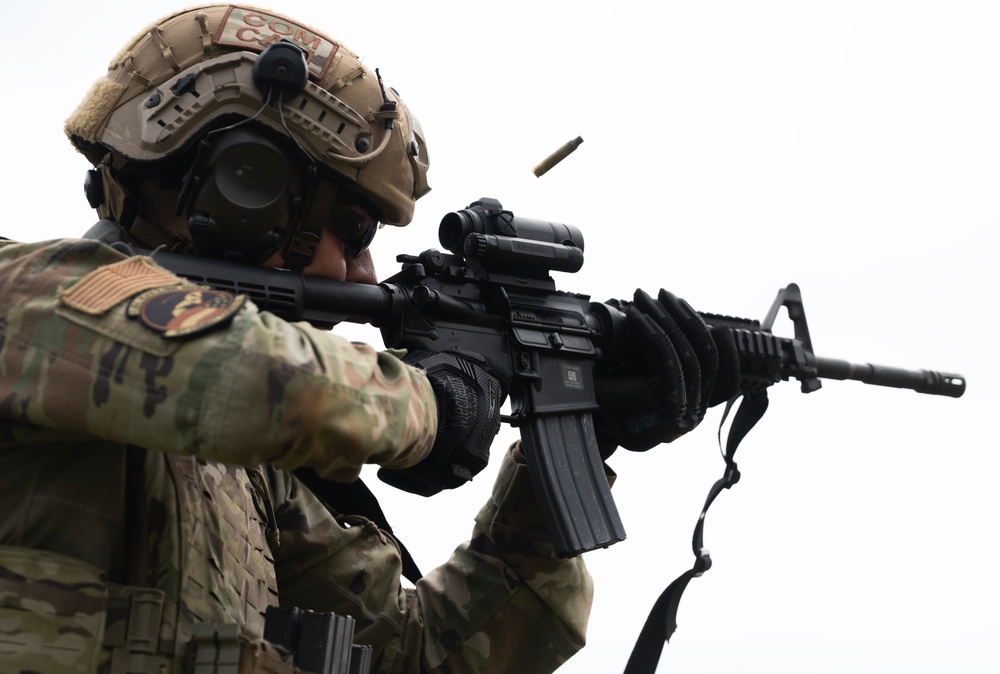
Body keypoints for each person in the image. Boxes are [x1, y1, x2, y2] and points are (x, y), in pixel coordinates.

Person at [0, 5, 736, 673]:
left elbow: (432, 653)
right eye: (353, 233)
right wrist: (441, 401)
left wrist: (573, 446)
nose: (366, 270)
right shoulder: (25, 299)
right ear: (244, 189)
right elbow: (258, 380)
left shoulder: (242, 481)